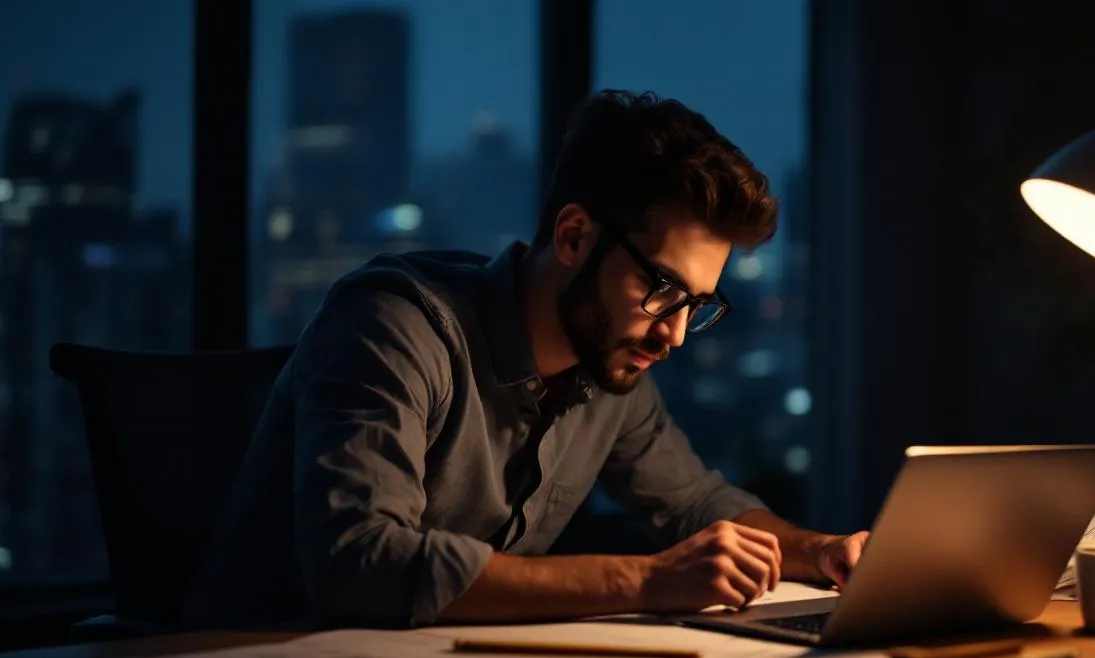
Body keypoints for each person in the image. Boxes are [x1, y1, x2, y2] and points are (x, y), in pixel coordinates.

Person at [184, 90, 869, 630]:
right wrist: (647, 582)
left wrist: (824, 552)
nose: (677, 334)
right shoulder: (395, 323)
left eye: (697, 303)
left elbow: (696, 503)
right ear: (573, 236)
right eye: (661, 289)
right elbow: (358, 563)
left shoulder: (610, 367)